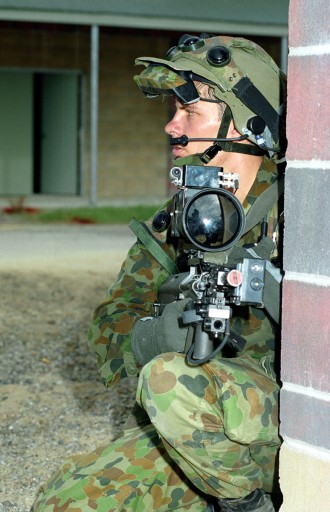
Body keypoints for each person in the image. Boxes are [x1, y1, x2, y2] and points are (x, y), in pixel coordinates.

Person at [33, 33, 287, 512]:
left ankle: (247, 505)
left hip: (283, 423)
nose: (172, 126)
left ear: (247, 122)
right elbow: (111, 320)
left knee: (171, 381)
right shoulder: (182, 218)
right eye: (173, 111)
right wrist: (156, 336)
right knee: (63, 504)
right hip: (198, 430)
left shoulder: (303, 214)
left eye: (189, 113)